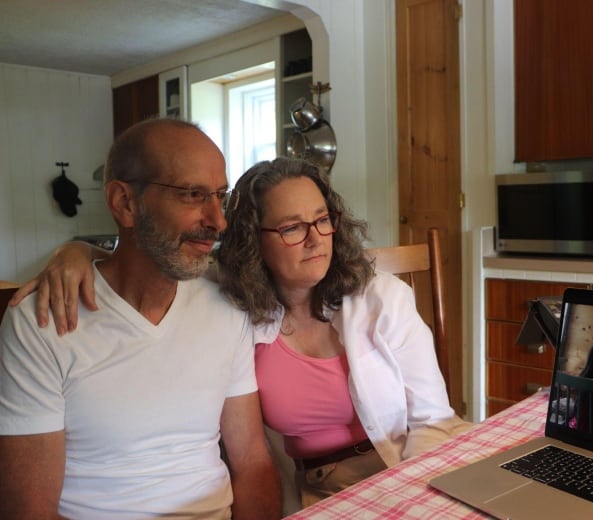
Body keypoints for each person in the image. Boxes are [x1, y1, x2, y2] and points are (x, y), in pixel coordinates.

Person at [13, 156, 471, 509]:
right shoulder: (228, 301)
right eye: (291, 227)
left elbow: (432, 422)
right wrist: (74, 251)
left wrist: (407, 497)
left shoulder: (383, 297)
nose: (315, 238)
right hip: (320, 490)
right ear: (253, 241)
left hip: (409, 463)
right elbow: (149, 259)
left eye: (322, 219)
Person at [0, 119, 281, 519]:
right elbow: (29, 511)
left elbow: (252, 462)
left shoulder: (226, 304)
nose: (217, 221)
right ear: (124, 203)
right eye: (192, 194)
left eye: (220, 195)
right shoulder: (43, 322)